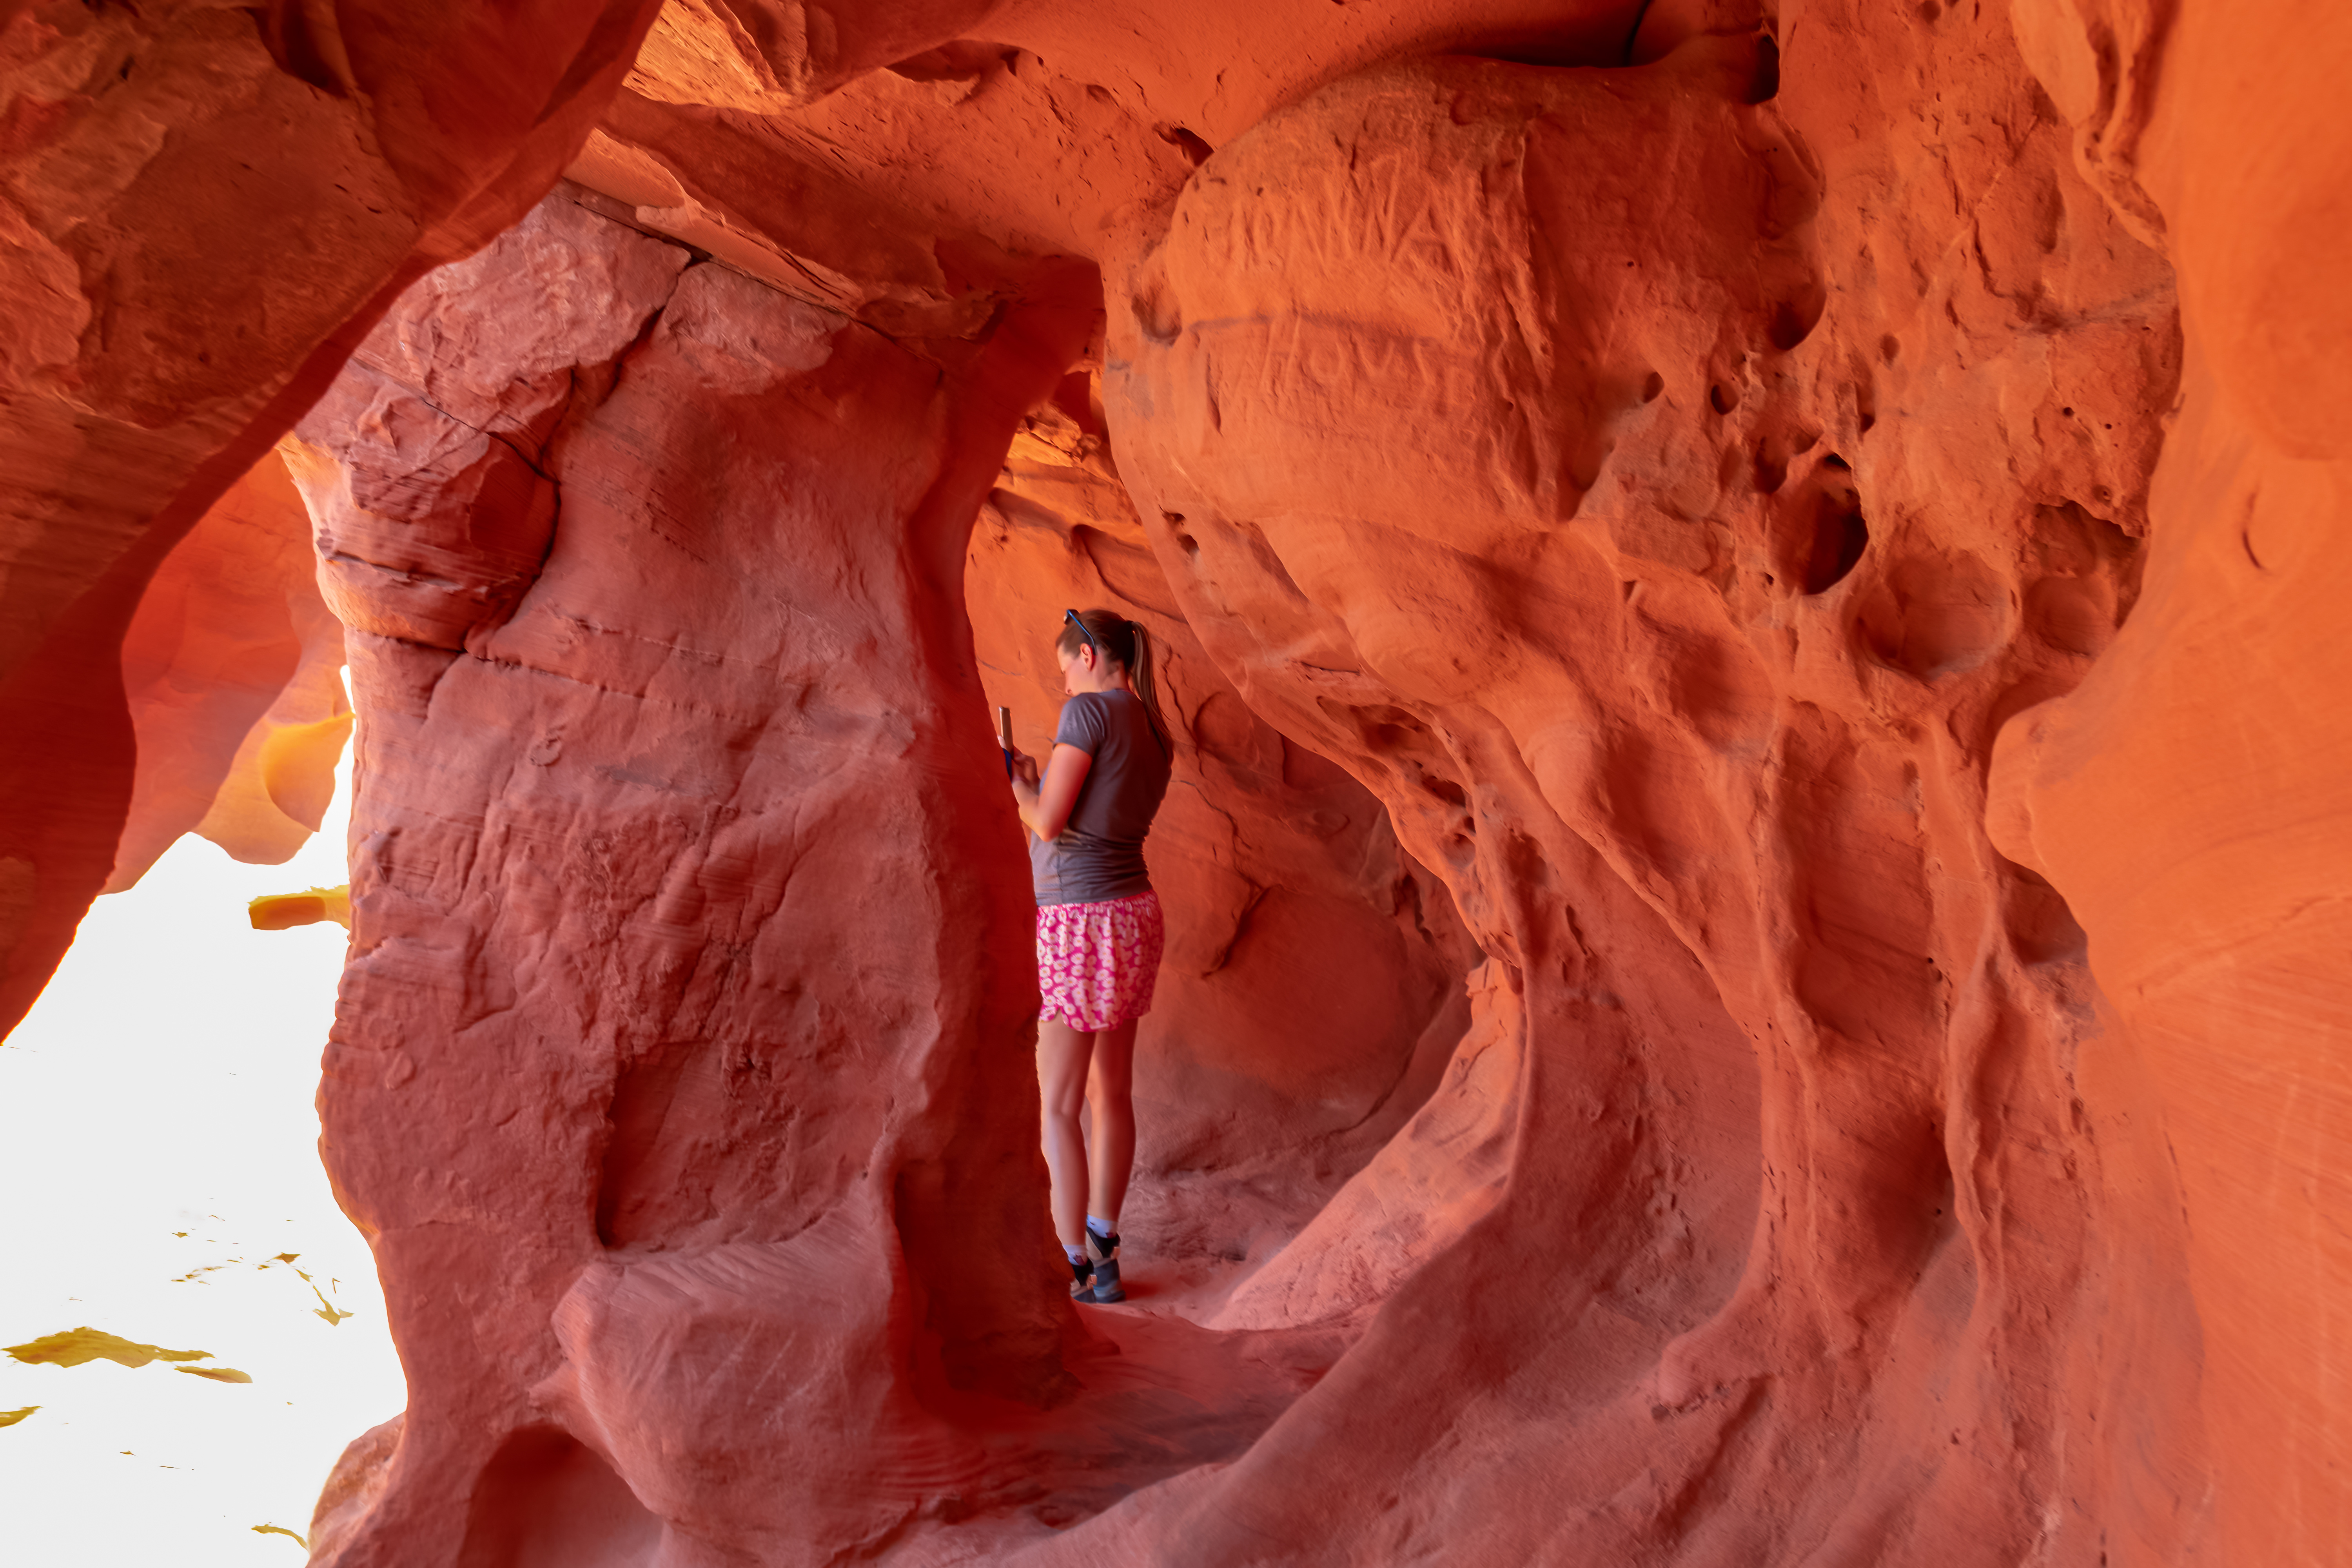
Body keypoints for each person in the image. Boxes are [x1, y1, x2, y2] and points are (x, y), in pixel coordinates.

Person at [1006, 608, 1174, 1304]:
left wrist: (1013, 784)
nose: (1064, 686)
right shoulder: (1153, 727)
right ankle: (1103, 1247)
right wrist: (1040, 783)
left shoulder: (1087, 716)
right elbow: (1092, 815)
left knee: (1059, 1105)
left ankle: (1071, 1259)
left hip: (1078, 920)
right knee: (1114, 1094)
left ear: (1086, 654)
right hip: (1133, 915)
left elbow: (1048, 823)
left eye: (1064, 670)